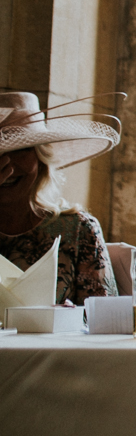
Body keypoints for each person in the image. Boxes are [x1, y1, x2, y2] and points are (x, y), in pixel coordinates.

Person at [0, 92, 120, 305]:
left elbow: (104, 321)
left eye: (20, 150)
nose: (7, 166)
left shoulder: (78, 230)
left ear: (40, 159)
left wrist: (70, 319)